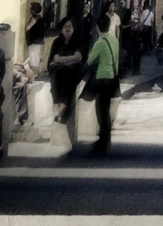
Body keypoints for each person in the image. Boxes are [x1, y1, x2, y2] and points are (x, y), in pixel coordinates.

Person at [85, 13, 120, 155]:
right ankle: (106, 140)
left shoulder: (100, 43)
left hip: (102, 79)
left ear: (98, 27)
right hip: (112, 78)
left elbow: (90, 61)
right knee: (106, 111)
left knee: (101, 111)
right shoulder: (114, 40)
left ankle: (102, 142)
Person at [48, 16, 86, 124]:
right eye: (65, 26)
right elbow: (52, 60)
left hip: (73, 72)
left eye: (70, 26)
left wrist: (60, 59)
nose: (67, 28)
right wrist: (70, 59)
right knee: (55, 77)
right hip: (58, 71)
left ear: (73, 28)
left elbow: (78, 58)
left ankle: (60, 110)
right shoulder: (57, 42)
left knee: (69, 78)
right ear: (61, 29)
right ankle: (57, 109)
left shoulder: (78, 40)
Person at [24, 2, 45, 72]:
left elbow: (28, 28)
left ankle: (33, 73)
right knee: (36, 57)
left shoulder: (34, 19)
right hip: (39, 40)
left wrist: (25, 26)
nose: (30, 10)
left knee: (32, 58)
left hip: (33, 41)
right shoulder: (40, 18)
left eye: (31, 8)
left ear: (33, 10)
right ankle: (35, 73)